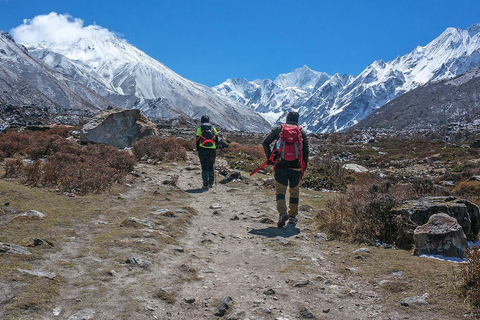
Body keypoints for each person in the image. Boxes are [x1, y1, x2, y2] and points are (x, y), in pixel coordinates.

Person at [262, 111, 309, 228]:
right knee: (294, 191)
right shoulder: (301, 131)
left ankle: (282, 213)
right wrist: (304, 167)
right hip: (296, 166)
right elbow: (306, 151)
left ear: (287, 118)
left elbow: (265, 142)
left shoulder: (279, 129)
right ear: (297, 120)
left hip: (280, 165)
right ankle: (292, 217)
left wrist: (271, 159)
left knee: (280, 191)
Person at [196, 115, 218, 189]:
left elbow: (197, 140)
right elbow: (217, 140)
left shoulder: (200, 129)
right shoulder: (213, 129)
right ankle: (211, 183)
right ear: (209, 121)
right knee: (211, 166)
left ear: (201, 121)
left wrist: (198, 150)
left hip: (203, 149)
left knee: (204, 167)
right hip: (212, 150)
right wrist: (215, 148)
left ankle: (205, 184)